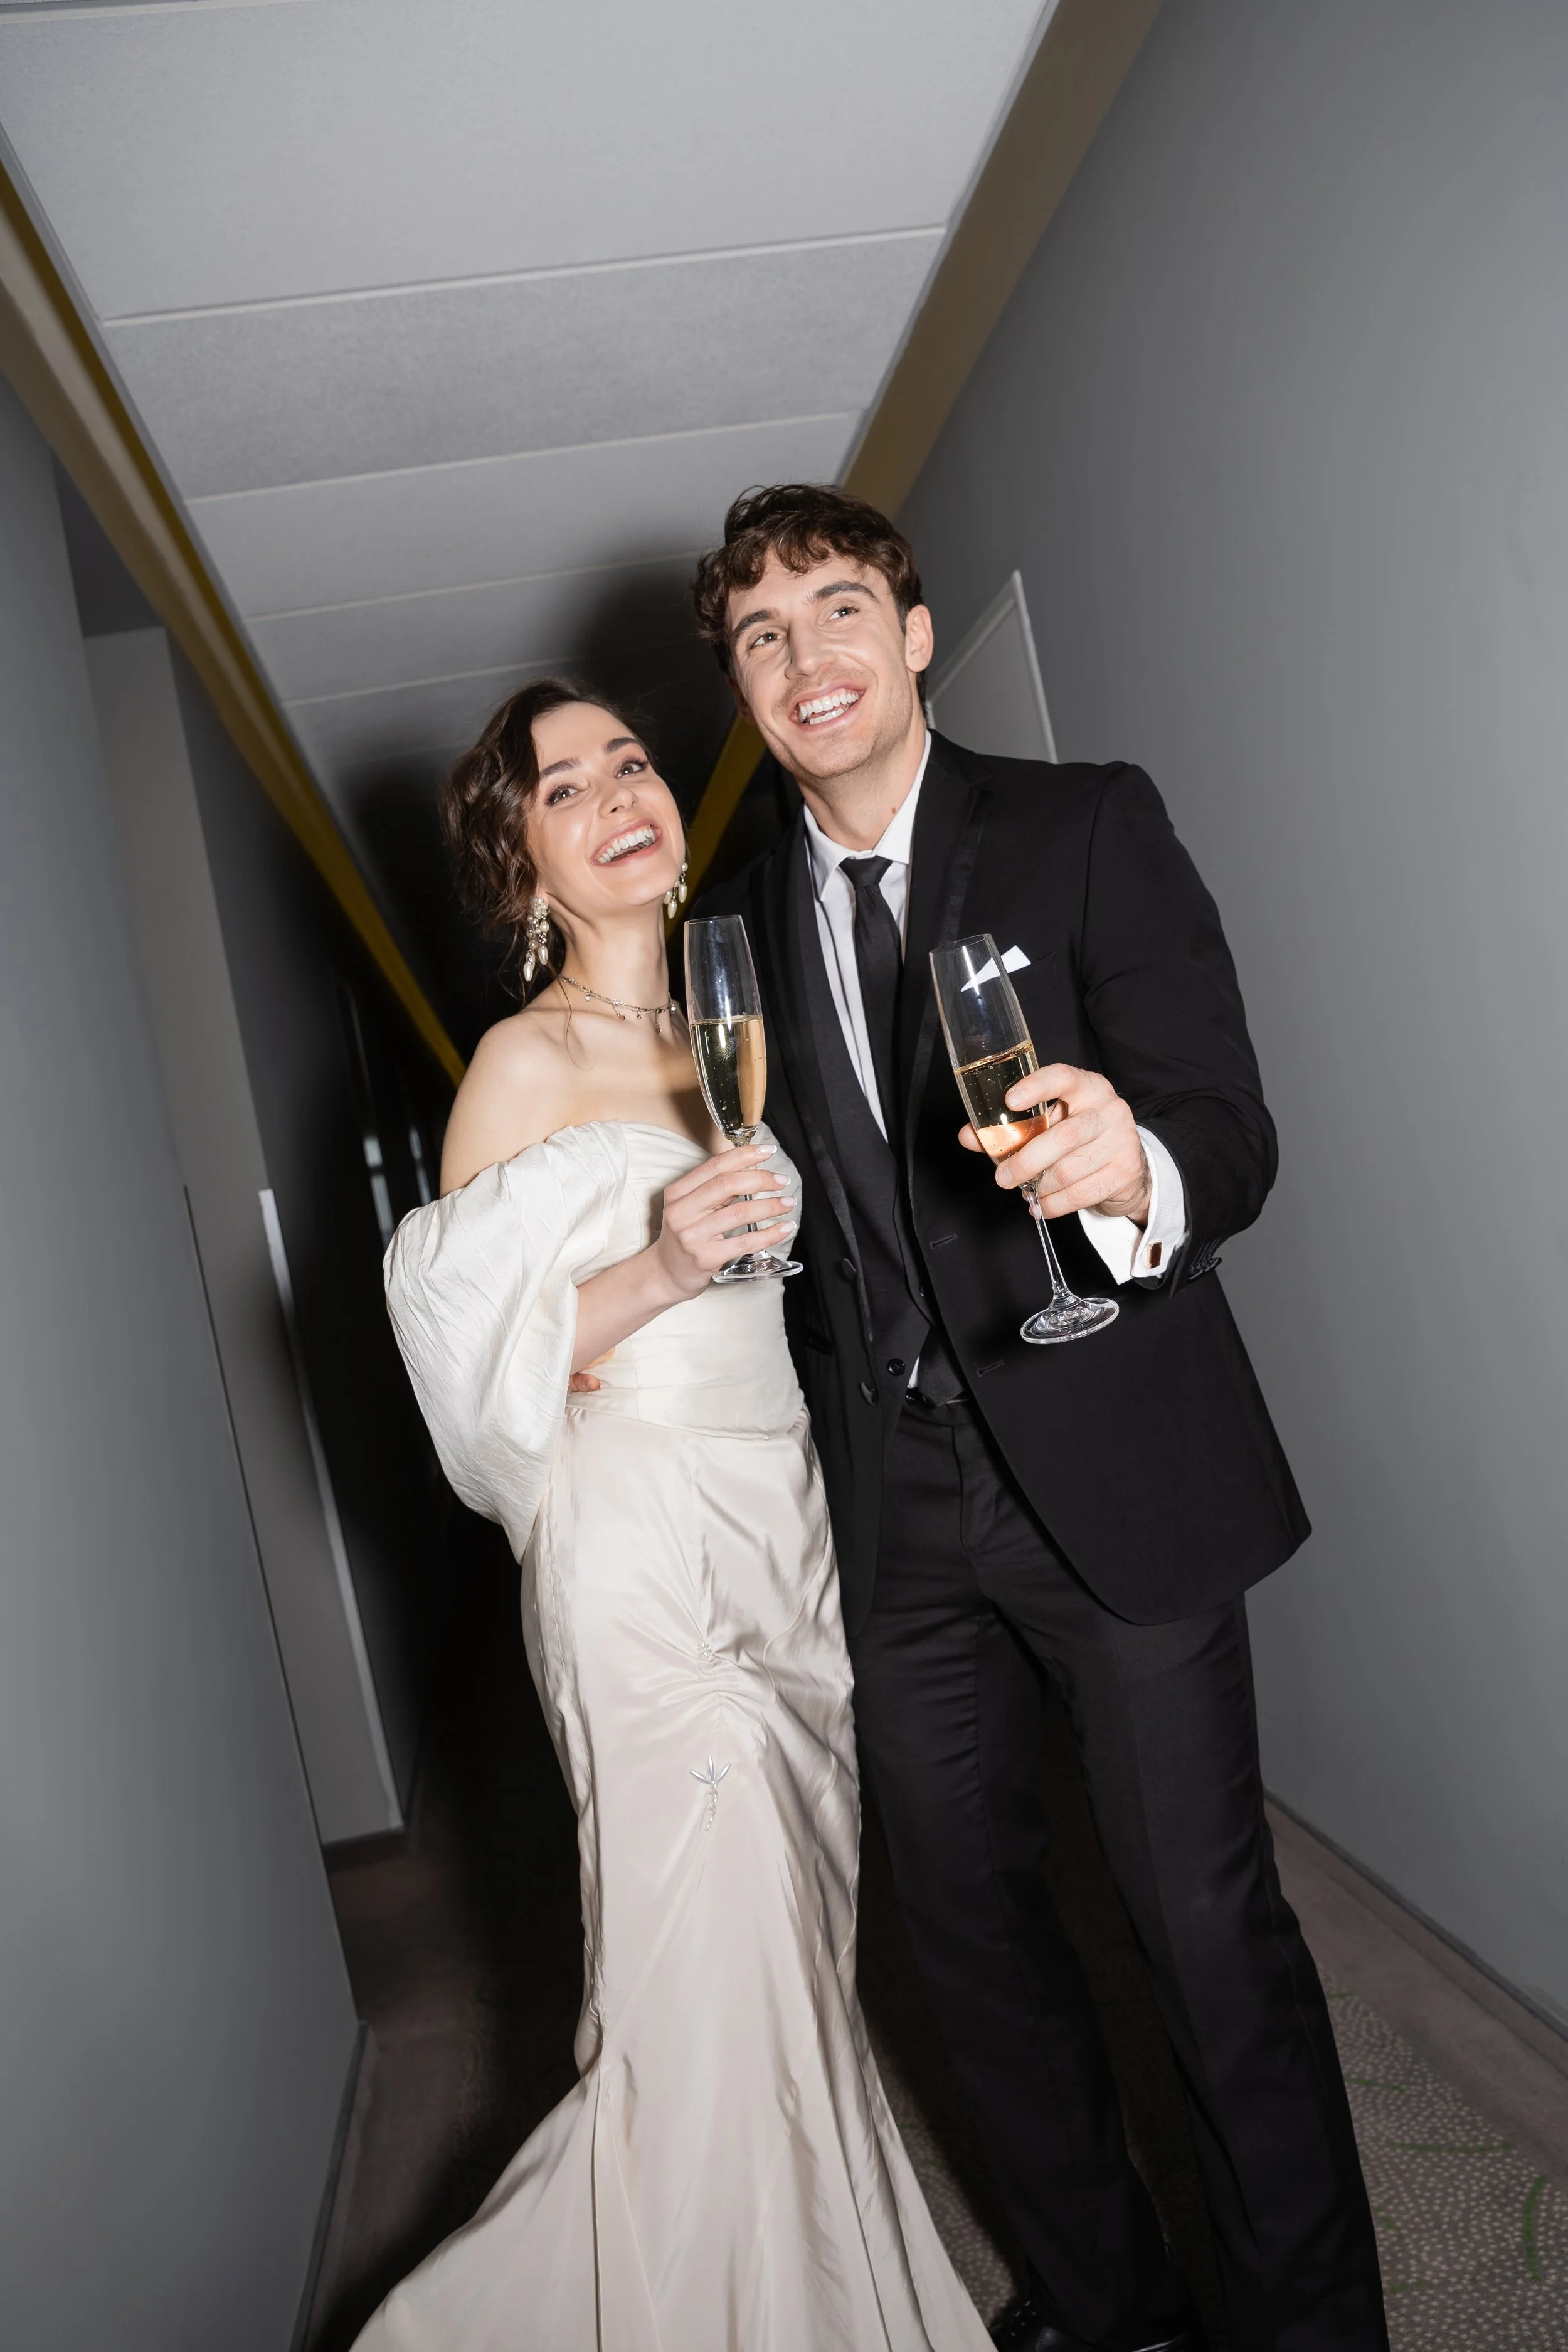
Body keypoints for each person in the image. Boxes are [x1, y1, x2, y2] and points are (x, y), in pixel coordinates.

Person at [691, 485, 1388, 2352]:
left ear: (915, 635)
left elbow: (1227, 1132)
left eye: (839, 611)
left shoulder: (1087, 825)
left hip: (1117, 1468)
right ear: (741, 688)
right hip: (901, 1516)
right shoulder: (734, 925)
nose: (805, 659)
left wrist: (1126, 1161)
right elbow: (810, 1226)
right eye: (761, 636)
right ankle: (1116, 2309)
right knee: (973, 1950)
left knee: (1201, 1938)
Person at [354, 679, 993, 2351]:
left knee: (797, 1941)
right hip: (632, 1535)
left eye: (631, 761)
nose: (620, 793)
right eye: (566, 789)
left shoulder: (728, 1034)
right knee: (694, 1978)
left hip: (774, 1516)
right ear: (524, 865)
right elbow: (477, 1375)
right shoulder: (518, 1061)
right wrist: (657, 1261)